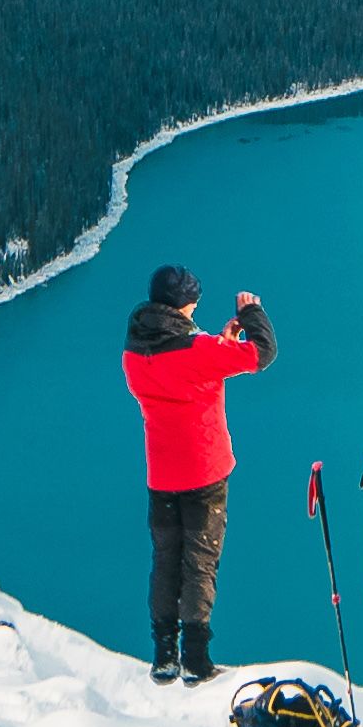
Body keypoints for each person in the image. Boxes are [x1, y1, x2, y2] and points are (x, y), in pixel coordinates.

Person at [123, 264, 273, 684]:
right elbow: (263, 353)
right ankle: (196, 661)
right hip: (204, 475)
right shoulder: (199, 350)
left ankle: (164, 657)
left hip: (162, 474)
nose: (195, 309)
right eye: (193, 302)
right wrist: (252, 315)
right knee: (199, 564)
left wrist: (217, 345)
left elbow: (183, 368)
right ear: (182, 305)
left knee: (166, 562)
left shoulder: (134, 352)